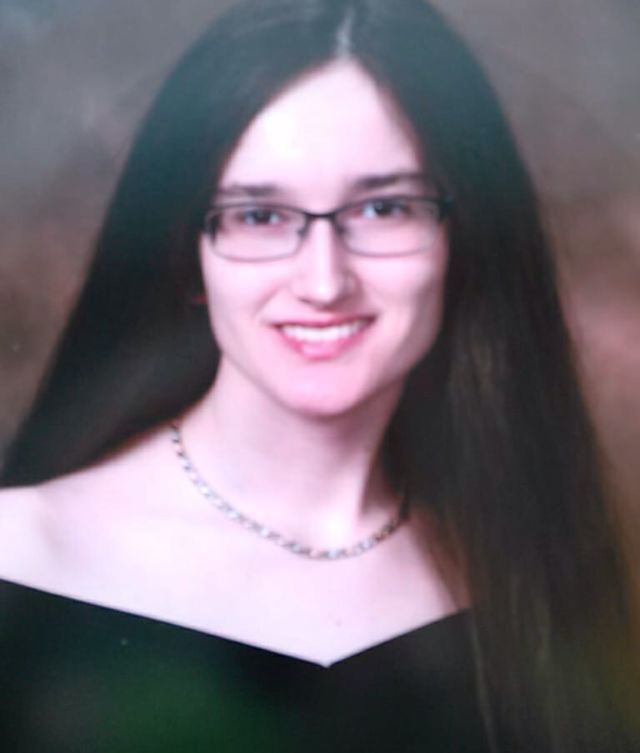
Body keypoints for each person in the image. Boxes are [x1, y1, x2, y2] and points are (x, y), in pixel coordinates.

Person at [0, 0, 637, 750]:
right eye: (259, 216)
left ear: (462, 241)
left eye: (384, 208)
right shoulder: (21, 555)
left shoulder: (529, 565)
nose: (325, 281)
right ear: (187, 253)